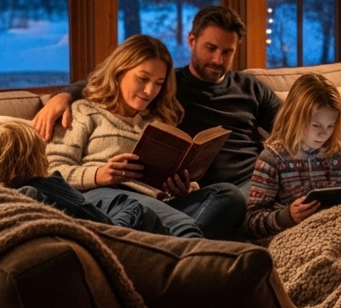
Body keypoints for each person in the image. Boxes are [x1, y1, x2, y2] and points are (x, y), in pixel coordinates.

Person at [33, 5, 341, 222]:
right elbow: (118, 83)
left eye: (227, 52)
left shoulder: (249, 87)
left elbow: (292, 125)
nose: (218, 60)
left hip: (274, 168)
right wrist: (61, 97)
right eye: (211, 48)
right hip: (234, 187)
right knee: (231, 198)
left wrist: (337, 131)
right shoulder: (169, 85)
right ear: (192, 41)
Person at [44, 33, 246, 240]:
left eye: (159, 83)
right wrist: (98, 174)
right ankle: (187, 245)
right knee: (179, 224)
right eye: (143, 79)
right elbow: (51, 171)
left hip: (158, 203)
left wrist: (183, 188)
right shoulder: (83, 112)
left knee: (229, 196)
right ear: (120, 71)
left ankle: (159, 245)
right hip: (106, 195)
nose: (150, 91)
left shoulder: (158, 122)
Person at [0, 119, 147, 229]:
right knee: (135, 207)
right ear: (37, 158)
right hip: (109, 231)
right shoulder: (48, 187)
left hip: (94, 214)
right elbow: (105, 225)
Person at [245, 73, 341, 240]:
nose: (323, 133)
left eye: (330, 126)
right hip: (290, 238)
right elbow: (252, 222)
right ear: (295, 117)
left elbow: (339, 205)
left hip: (331, 233)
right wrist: (287, 216)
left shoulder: (337, 154)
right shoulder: (272, 159)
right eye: (316, 125)